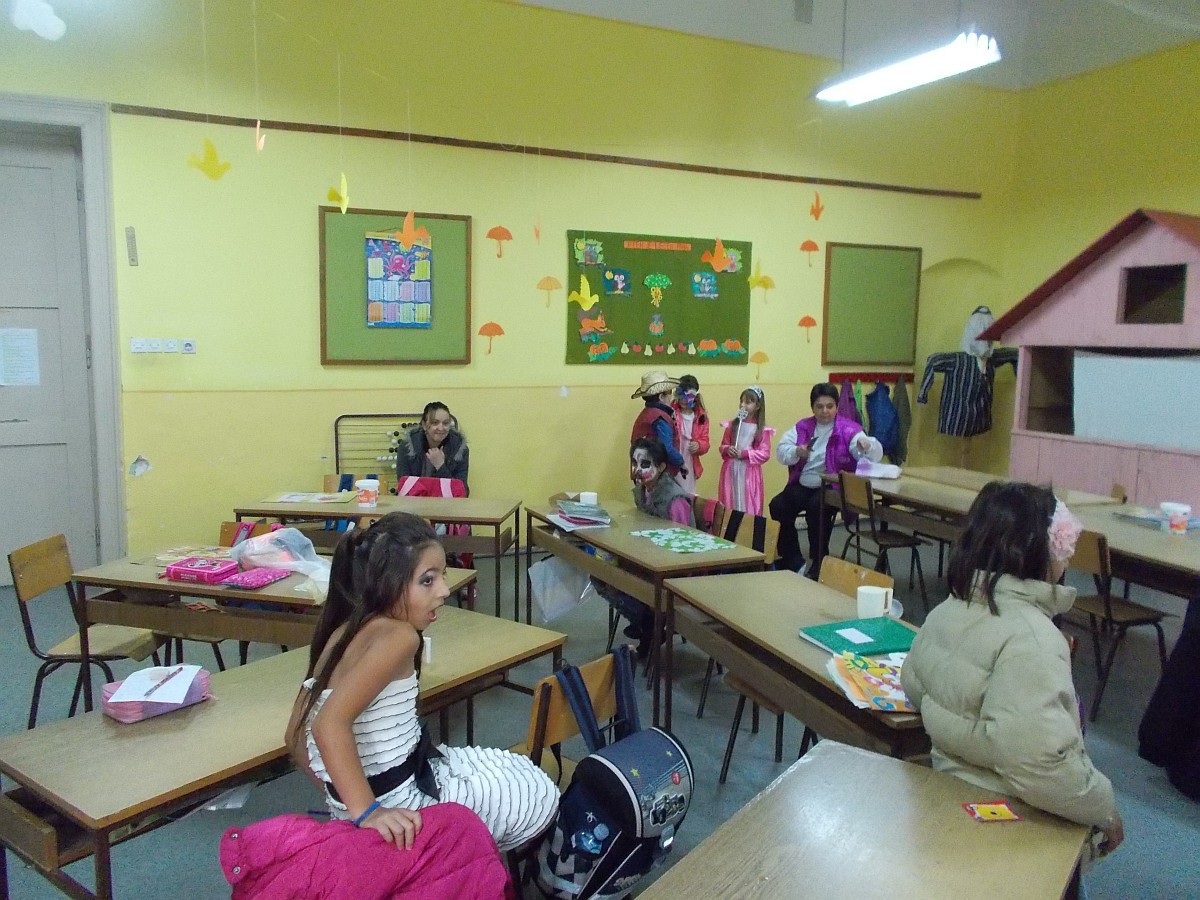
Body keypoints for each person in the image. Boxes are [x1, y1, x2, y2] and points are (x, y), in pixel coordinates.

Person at [286, 512, 558, 852]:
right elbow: (328, 724)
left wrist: (340, 802)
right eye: (427, 580)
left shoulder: (341, 631)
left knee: (508, 770)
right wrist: (367, 811)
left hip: (388, 790)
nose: (444, 590)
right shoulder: (401, 637)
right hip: (407, 802)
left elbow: (294, 735)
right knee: (535, 792)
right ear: (387, 582)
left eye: (442, 575)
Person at [901, 482, 1125, 859]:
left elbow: (913, 684)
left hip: (948, 794)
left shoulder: (948, 609)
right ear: (1040, 552)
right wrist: (1104, 807)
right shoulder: (1034, 639)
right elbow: (1041, 765)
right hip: (1013, 822)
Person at [768, 383, 882, 577]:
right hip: (805, 483)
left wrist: (866, 446)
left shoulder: (849, 429)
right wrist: (796, 451)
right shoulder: (802, 427)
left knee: (817, 508)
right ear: (812, 408)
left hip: (833, 486)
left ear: (837, 407)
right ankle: (792, 559)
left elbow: (871, 454)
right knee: (778, 506)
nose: (825, 411)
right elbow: (781, 452)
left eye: (830, 406)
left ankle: (819, 561)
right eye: (819, 406)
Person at [596, 437, 695, 657]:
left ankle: (649, 624)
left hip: (670, 569)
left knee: (621, 579)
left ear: (661, 467)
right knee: (600, 572)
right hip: (646, 559)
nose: (638, 469)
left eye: (645, 464)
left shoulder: (674, 499)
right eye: (634, 463)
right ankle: (645, 621)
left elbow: (681, 545)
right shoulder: (643, 490)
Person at [717, 385, 774, 515]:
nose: (743, 405)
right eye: (741, 401)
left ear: (757, 406)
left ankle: (747, 525)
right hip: (731, 470)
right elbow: (723, 444)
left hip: (749, 472)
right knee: (731, 499)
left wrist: (744, 454)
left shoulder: (761, 430)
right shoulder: (733, 425)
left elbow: (765, 453)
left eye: (747, 402)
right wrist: (727, 449)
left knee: (747, 501)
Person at [395, 402, 470, 495]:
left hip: (448, 503)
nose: (441, 428)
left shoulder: (460, 449)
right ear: (424, 425)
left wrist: (440, 466)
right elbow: (404, 487)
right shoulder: (407, 447)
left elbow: (462, 492)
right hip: (414, 501)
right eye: (435, 423)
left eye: (446, 423)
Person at [629, 371, 685, 478]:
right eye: (669, 392)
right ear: (661, 397)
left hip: (642, 471)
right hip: (658, 473)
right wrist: (681, 462)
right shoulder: (659, 418)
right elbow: (666, 448)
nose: (671, 396)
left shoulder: (646, 413)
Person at [670, 374, 710, 495]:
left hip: (690, 461)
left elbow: (705, 441)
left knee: (687, 493)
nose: (683, 400)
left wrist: (699, 445)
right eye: (680, 395)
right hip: (673, 458)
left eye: (687, 397)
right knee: (672, 492)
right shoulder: (671, 412)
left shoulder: (701, 417)